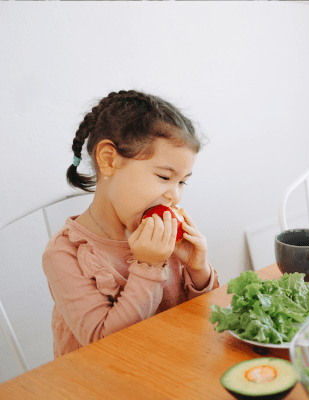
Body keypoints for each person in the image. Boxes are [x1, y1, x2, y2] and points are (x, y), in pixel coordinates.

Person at [42, 90, 219, 358]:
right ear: (109, 160)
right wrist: (148, 266)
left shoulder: (162, 233)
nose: (175, 195)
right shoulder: (63, 254)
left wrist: (198, 270)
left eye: (182, 181)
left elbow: (207, 319)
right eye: (164, 176)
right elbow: (104, 346)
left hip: (171, 362)